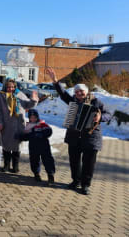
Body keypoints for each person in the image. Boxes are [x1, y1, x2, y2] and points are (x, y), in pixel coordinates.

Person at [46, 67, 111, 195]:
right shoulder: (73, 101)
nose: (79, 94)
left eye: (81, 92)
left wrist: (100, 117)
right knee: (74, 161)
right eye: (77, 92)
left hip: (91, 137)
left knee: (88, 163)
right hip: (74, 136)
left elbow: (108, 114)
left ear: (86, 92)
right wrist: (55, 81)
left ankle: (85, 185)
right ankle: (76, 181)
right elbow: (63, 94)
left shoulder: (96, 102)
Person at [0, 78, 38, 173]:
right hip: (6, 125)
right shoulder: (1, 96)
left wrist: (33, 100)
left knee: (17, 147)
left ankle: (15, 166)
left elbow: (28, 105)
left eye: (12, 87)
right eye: (9, 87)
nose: (11, 89)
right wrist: (0, 123)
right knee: (6, 146)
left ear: (15, 87)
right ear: (5, 86)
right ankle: (6, 165)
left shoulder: (20, 95)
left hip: (18, 125)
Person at [19, 109, 55, 184]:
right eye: (31, 117)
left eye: (34, 117)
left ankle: (50, 175)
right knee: (34, 160)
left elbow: (49, 131)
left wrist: (42, 134)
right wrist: (20, 137)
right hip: (33, 146)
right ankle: (36, 173)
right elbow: (26, 136)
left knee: (47, 160)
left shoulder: (42, 124)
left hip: (44, 146)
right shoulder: (28, 126)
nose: (33, 119)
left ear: (37, 117)